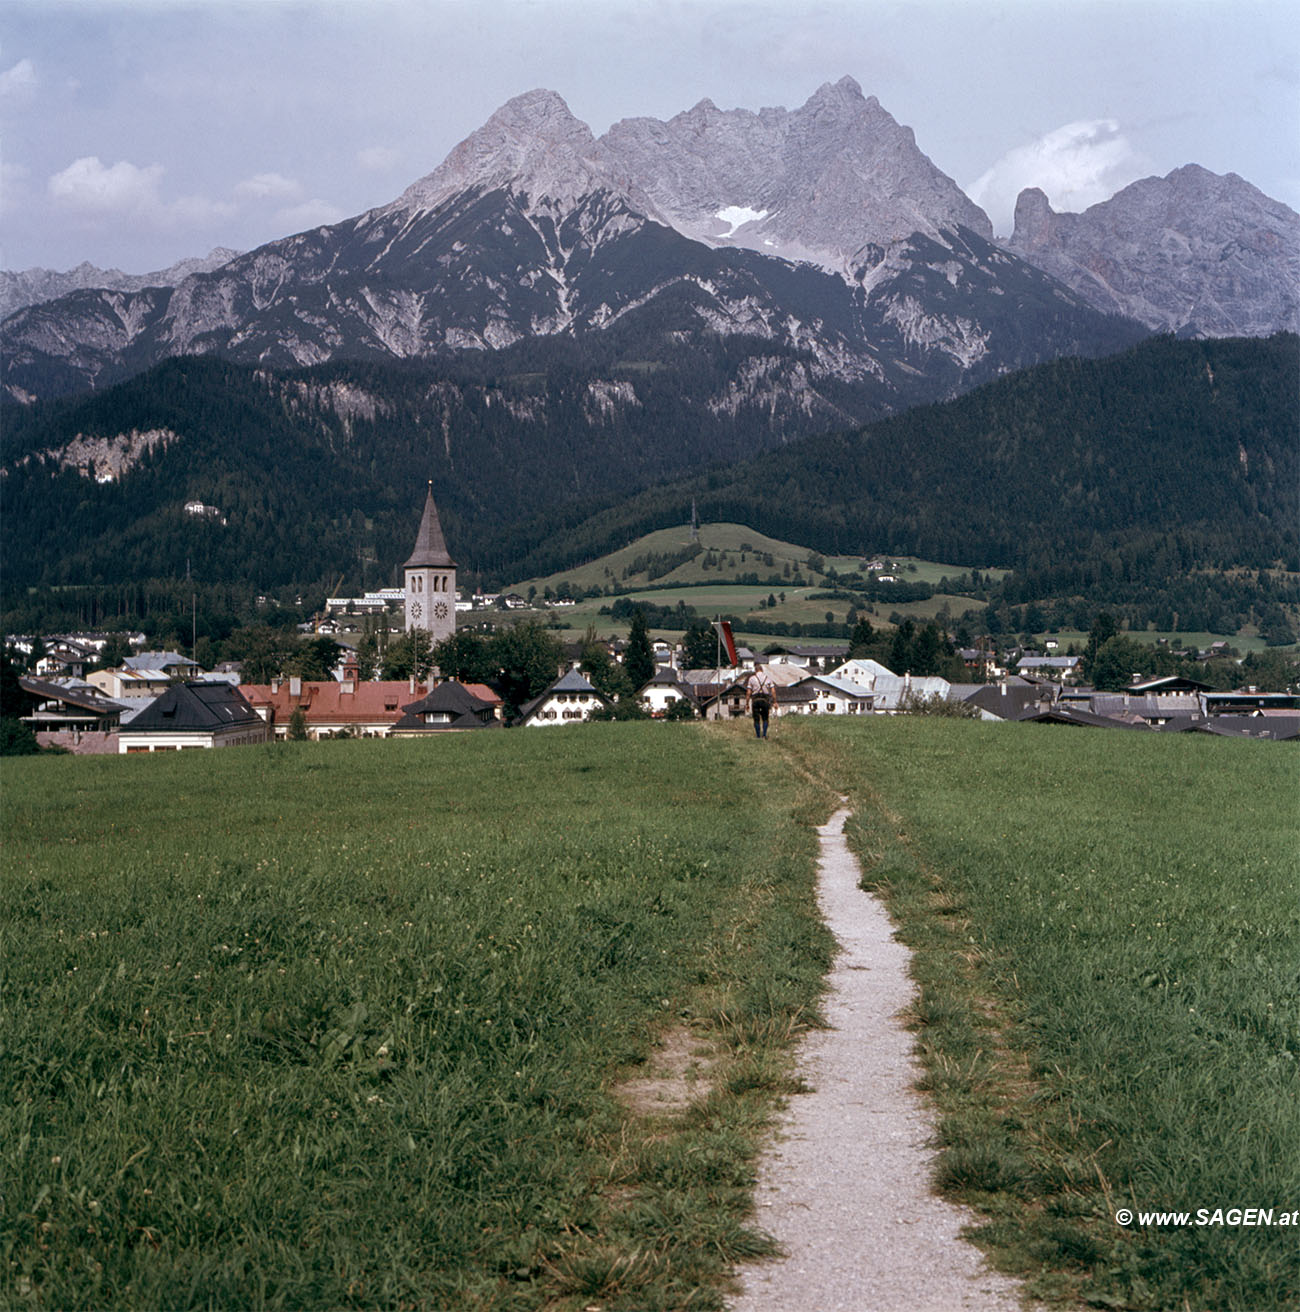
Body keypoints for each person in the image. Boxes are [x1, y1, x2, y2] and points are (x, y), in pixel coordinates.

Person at [745, 665, 776, 738]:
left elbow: (748, 692)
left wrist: (747, 703)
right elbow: (773, 691)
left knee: (756, 719)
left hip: (755, 700)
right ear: (762, 670)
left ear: (755, 671)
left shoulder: (752, 679)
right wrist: (775, 701)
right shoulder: (768, 678)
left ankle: (758, 735)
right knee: (765, 718)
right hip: (765, 700)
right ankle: (764, 734)